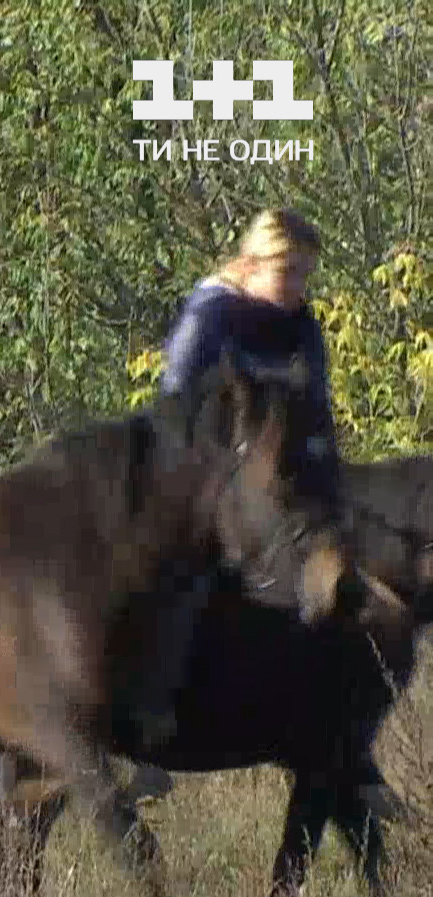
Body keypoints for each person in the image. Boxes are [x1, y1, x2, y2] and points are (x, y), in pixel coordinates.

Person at [127, 208, 340, 790]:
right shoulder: (211, 315)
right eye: (289, 271)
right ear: (251, 264)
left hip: (277, 485)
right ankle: (139, 728)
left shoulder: (299, 322)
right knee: (179, 573)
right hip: (199, 477)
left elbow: (315, 406)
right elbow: (173, 411)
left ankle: (331, 728)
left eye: (306, 274)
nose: (299, 286)